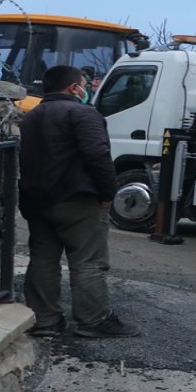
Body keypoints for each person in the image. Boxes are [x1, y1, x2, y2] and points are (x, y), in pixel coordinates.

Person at [19, 65, 139, 338]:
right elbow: (98, 156)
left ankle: (45, 320)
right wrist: (108, 194)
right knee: (88, 261)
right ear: (75, 87)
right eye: (84, 84)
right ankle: (93, 320)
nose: (86, 88)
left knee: (42, 260)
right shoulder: (83, 113)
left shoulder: (31, 116)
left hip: (37, 200)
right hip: (77, 199)